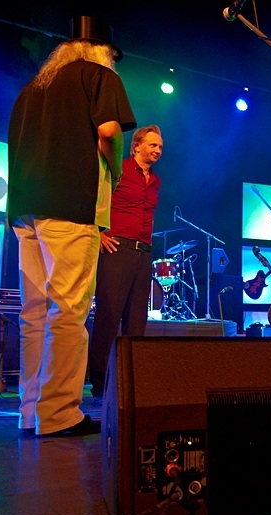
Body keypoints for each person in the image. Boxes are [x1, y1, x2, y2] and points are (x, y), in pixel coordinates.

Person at [7, 16, 136, 436]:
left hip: (25, 208)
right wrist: (116, 171)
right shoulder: (99, 76)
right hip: (71, 205)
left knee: (34, 313)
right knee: (68, 309)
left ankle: (31, 412)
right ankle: (60, 413)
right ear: (103, 52)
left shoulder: (33, 87)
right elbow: (109, 132)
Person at [87, 125, 163, 405]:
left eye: (160, 146)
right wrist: (99, 232)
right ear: (136, 146)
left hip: (143, 252)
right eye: (153, 145)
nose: (157, 150)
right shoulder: (119, 168)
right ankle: (99, 383)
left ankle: (131, 381)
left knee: (136, 319)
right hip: (117, 248)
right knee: (108, 315)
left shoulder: (155, 181)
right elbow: (95, 197)